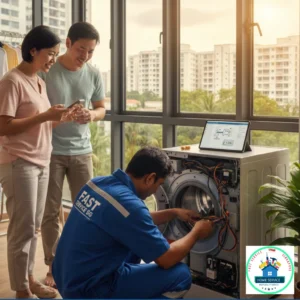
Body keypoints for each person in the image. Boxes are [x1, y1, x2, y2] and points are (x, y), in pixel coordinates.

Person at [52, 146, 214, 299]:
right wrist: (197, 232)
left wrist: (174, 213)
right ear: (150, 178)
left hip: (64, 277)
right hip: (88, 290)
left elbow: (132, 221)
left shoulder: (98, 183)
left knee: (135, 242)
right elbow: (167, 259)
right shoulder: (130, 207)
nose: (157, 190)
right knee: (182, 274)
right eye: (158, 184)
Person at [0, 26, 67, 299]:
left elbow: (41, 125)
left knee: (34, 226)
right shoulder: (11, 81)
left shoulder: (39, 81)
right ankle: (21, 290)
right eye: (51, 54)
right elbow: (4, 126)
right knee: (22, 227)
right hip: (19, 162)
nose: (53, 59)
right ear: (33, 51)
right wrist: (44, 117)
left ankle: (28, 279)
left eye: (56, 54)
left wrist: (60, 118)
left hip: (41, 160)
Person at [40, 22, 106, 287]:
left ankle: (82, 263)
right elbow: (37, 115)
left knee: (86, 211)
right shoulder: (47, 72)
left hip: (82, 152)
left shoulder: (93, 73)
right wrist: (60, 116)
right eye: (81, 49)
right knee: (50, 212)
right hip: (51, 151)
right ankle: (54, 268)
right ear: (67, 43)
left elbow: (102, 108)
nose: (85, 56)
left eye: (91, 51)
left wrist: (91, 114)